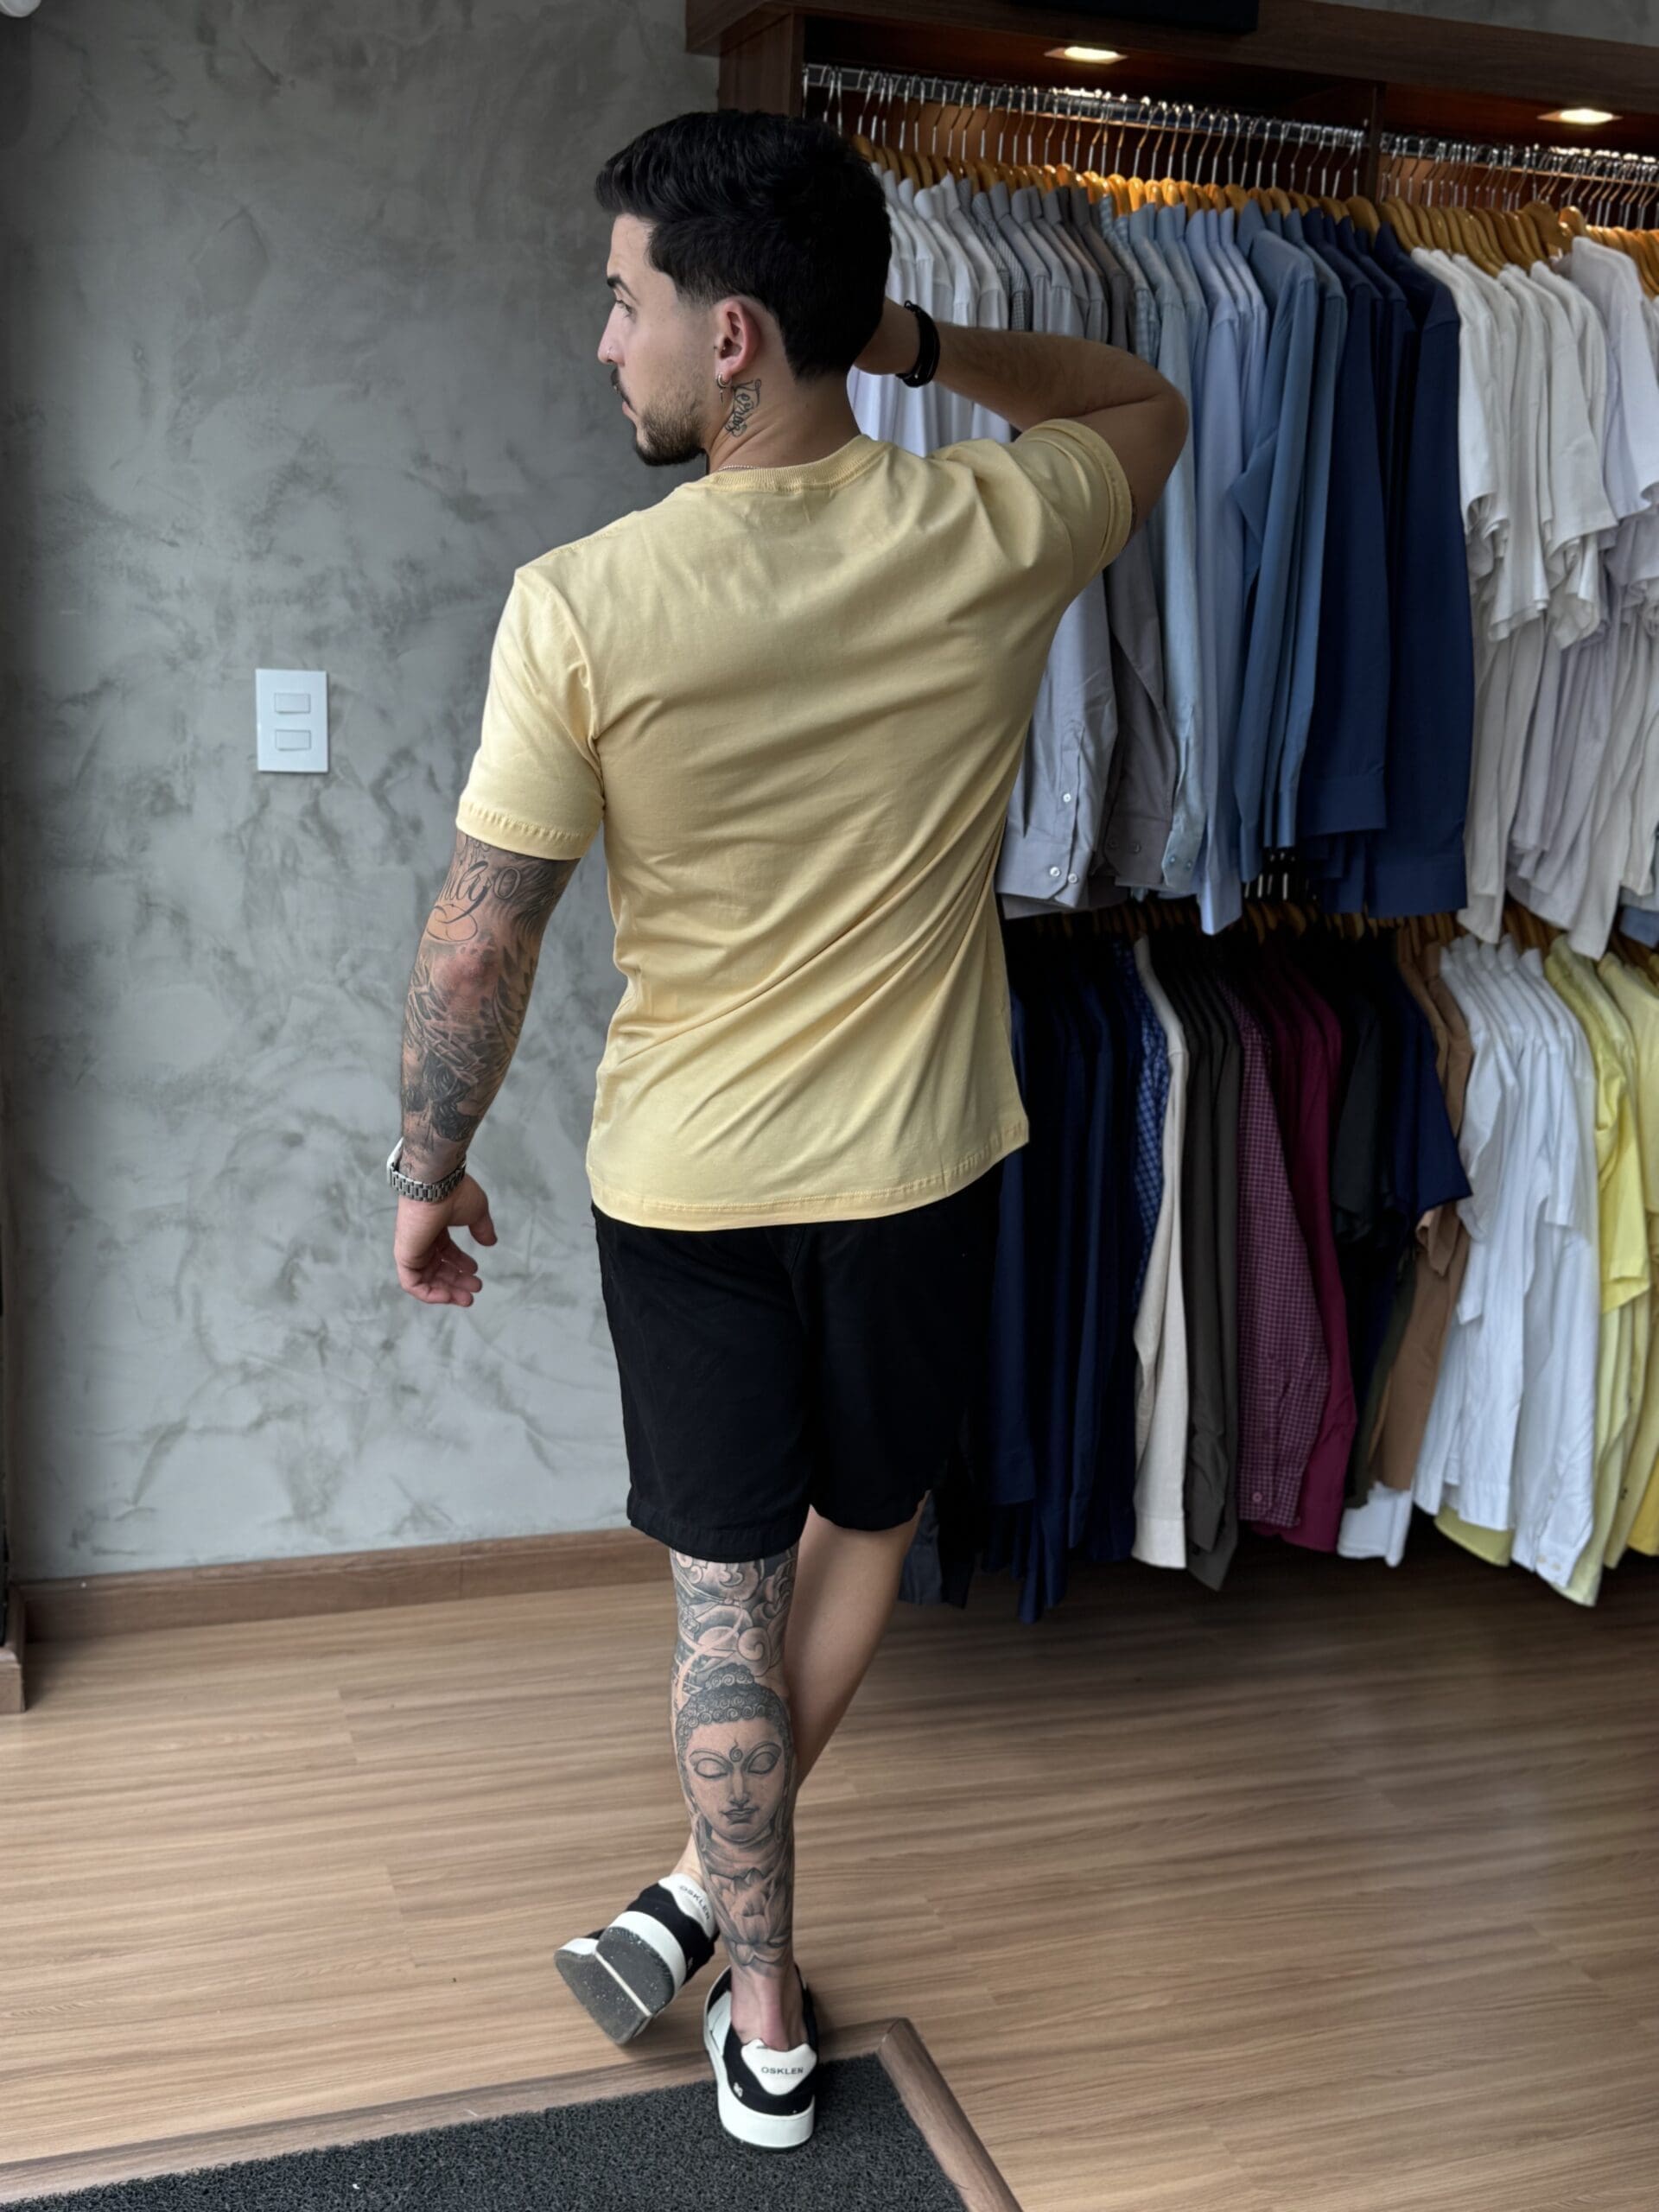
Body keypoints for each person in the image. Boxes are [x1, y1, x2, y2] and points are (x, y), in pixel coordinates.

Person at [389, 107, 1185, 2150]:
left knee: (720, 1596)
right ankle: (711, 1927)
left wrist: (428, 1164)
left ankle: (751, 1994)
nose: (606, 343)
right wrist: (909, 343)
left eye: (624, 302)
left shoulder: (580, 600)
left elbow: (480, 935)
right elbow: (1141, 399)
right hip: (923, 1161)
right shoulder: (994, 527)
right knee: (867, 1526)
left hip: (686, 1181)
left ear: (729, 334)